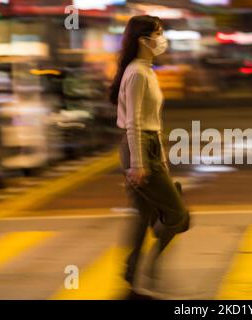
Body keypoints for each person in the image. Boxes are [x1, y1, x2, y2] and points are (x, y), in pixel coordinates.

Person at [109, 15, 189, 300]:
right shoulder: (138, 73)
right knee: (178, 215)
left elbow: (152, 120)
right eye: (159, 32)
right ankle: (150, 265)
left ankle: (131, 284)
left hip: (150, 145)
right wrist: (139, 164)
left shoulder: (146, 70)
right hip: (139, 148)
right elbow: (134, 123)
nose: (162, 38)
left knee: (142, 217)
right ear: (144, 40)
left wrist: (161, 158)